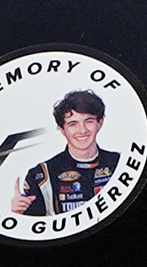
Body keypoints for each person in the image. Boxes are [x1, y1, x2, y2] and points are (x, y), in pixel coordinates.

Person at [12, 88, 118, 220]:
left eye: (89, 121)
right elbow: (34, 230)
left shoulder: (119, 163)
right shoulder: (42, 174)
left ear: (100, 123)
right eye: (73, 124)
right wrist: (18, 214)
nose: (82, 130)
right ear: (62, 129)